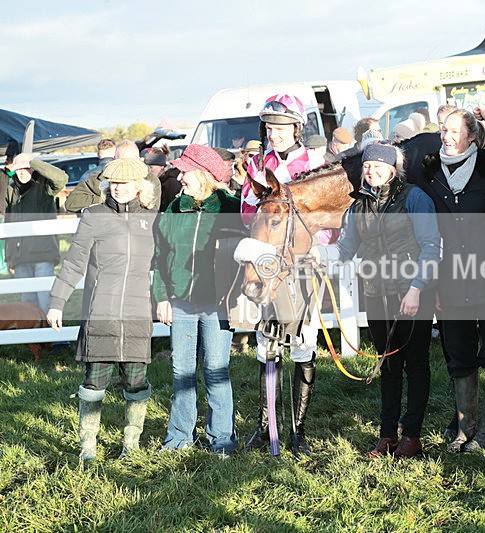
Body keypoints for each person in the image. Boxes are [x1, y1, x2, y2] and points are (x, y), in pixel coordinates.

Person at [312, 142, 441, 458]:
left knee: (416, 363)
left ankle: (412, 436)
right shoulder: (358, 207)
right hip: (375, 294)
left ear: (393, 170)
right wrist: (321, 255)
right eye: (367, 167)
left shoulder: (415, 198)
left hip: (410, 294)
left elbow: (431, 247)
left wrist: (417, 289)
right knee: (388, 365)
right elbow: (345, 250)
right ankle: (387, 437)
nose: (371, 172)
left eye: (378, 167)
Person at [46, 159, 157, 461]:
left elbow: (165, 266)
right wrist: (57, 302)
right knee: (95, 382)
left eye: (125, 183)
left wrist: (166, 298)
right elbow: (74, 261)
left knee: (136, 382)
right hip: (101, 312)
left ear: (138, 185)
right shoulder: (93, 216)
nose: (119, 188)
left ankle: (131, 445)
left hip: (137, 314)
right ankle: (88, 448)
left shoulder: (152, 218)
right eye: (114, 183)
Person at [418, 109, 485, 453]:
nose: (446, 136)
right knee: (458, 354)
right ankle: (464, 425)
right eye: (443, 130)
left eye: (454, 131)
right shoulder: (429, 173)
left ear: (472, 135)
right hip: (450, 278)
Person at [240, 93, 326, 456]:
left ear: (296, 128)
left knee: (304, 345)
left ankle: (298, 431)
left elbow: (328, 218)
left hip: (305, 266)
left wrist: (315, 240)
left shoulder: (317, 162)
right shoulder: (259, 166)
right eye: (269, 127)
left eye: (281, 127)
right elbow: (247, 213)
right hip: (268, 267)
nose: (273, 133)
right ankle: (264, 428)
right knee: (267, 346)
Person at [154, 144, 241, 456]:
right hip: (181, 302)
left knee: (216, 369)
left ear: (204, 175)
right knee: (181, 370)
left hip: (218, 303)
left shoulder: (233, 208)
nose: (180, 178)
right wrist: (162, 297)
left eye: (184, 172)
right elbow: (160, 255)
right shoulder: (174, 209)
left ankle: (222, 439)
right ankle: (179, 436)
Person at [3, 152, 67, 313]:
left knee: (45, 299)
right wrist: (9, 255)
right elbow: (9, 222)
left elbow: (62, 178)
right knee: (27, 303)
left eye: (26, 167)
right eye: (19, 168)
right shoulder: (11, 189)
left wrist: (35, 162)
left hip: (43, 254)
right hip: (20, 256)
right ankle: (33, 337)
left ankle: (50, 336)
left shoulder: (44, 186)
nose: (23, 171)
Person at [65, 140, 161, 213]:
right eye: (121, 161)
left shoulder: (150, 180)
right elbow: (71, 203)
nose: (125, 166)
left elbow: (152, 211)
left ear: (139, 160)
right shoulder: (99, 178)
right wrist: (106, 200)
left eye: (130, 162)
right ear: (114, 160)